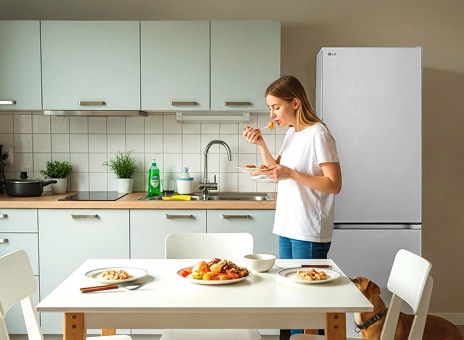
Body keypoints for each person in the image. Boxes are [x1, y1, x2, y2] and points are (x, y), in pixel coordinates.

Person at [242, 75, 342, 335]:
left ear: (295, 102)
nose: (272, 114)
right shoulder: (291, 134)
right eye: (270, 108)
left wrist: (291, 174)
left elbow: (333, 183)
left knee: (306, 303)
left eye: (276, 107)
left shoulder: (319, 134)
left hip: (308, 229)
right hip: (288, 225)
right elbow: (277, 170)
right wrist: (261, 144)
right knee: (290, 298)